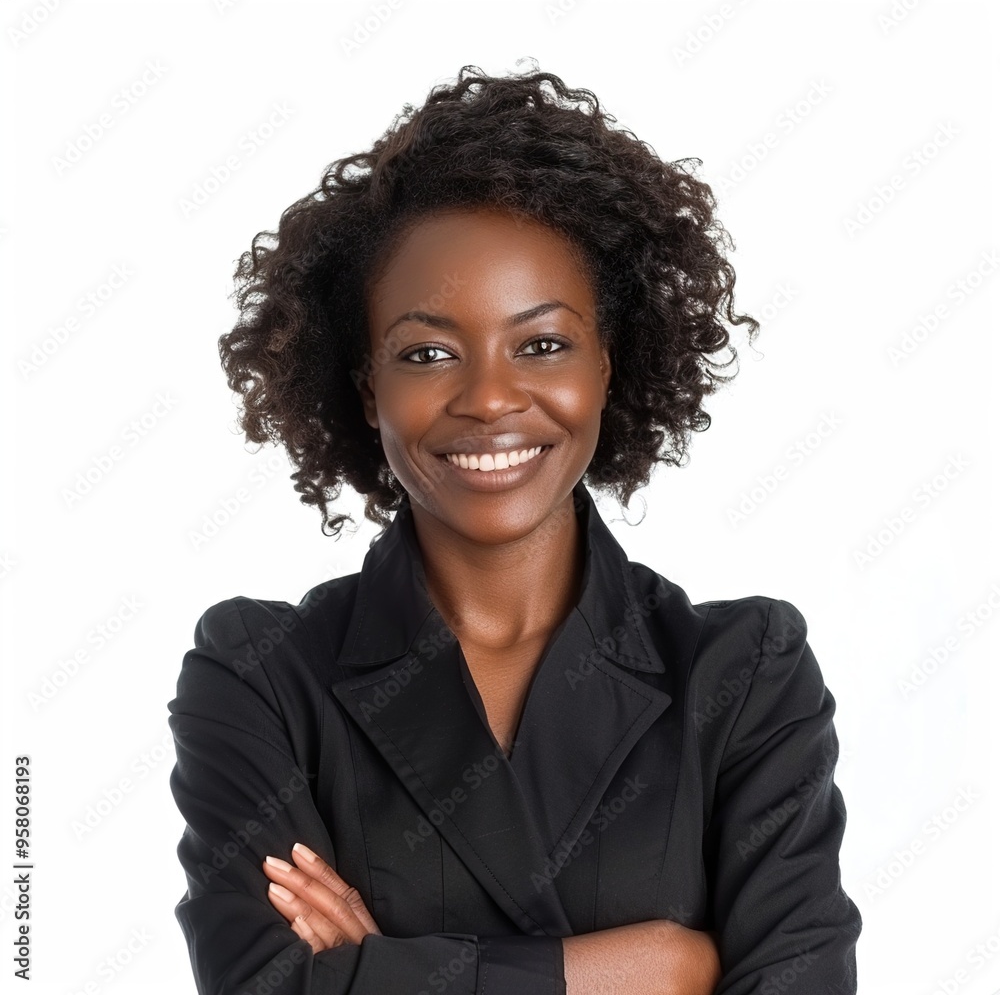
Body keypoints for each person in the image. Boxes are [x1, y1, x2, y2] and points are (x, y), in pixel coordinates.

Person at [167, 63, 862, 995]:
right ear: (368, 385)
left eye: (541, 344)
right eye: (428, 353)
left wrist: (383, 974)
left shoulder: (744, 674)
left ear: (609, 365)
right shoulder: (260, 676)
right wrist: (653, 969)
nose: (491, 397)